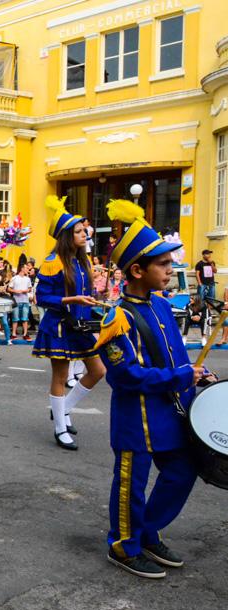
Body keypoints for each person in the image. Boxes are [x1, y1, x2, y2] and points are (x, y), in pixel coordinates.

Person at [95, 204, 211, 578]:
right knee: (131, 486)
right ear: (137, 270)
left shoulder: (161, 306)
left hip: (170, 414)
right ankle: (123, 546)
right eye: (162, 264)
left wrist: (196, 375)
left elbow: (176, 355)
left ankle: (145, 532)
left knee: (183, 470)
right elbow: (124, 376)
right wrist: (179, 377)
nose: (169, 268)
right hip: (136, 420)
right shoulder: (117, 318)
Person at [34, 196, 107, 450]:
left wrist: (94, 301)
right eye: (78, 231)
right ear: (66, 235)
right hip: (59, 325)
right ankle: (60, 428)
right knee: (61, 375)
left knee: (98, 371)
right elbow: (41, 297)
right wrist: (71, 299)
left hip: (82, 325)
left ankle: (63, 410)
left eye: (84, 229)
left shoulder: (83, 260)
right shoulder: (53, 261)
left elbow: (85, 292)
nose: (84, 233)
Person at [9, 262, 33, 341]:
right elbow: (9, 288)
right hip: (16, 301)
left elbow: (30, 288)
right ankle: (13, 334)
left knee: (25, 318)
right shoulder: (14, 278)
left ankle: (25, 334)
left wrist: (27, 290)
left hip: (25, 301)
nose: (28, 270)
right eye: (26, 268)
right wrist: (15, 291)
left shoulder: (28, 279)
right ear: (22, 268)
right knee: (15, 318)